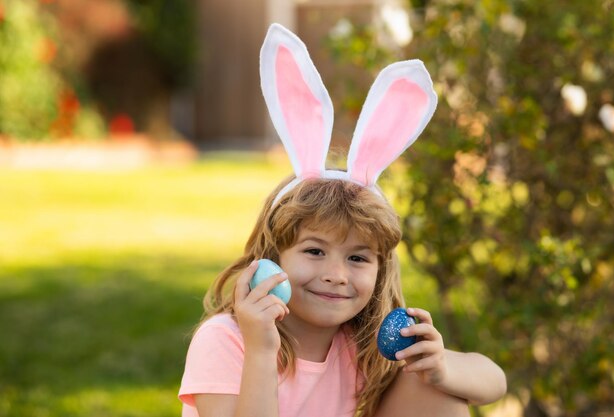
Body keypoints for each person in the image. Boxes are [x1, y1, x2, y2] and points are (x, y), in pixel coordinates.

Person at [178, 24, 506, 417]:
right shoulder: (228, 340)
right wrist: (262, 349)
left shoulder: (364, 342)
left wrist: (440, 368)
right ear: (272, 259)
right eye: (315, 250)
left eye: (357, 258)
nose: (336, 274)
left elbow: (494, 382)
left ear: (380, 269)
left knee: (439, 394)